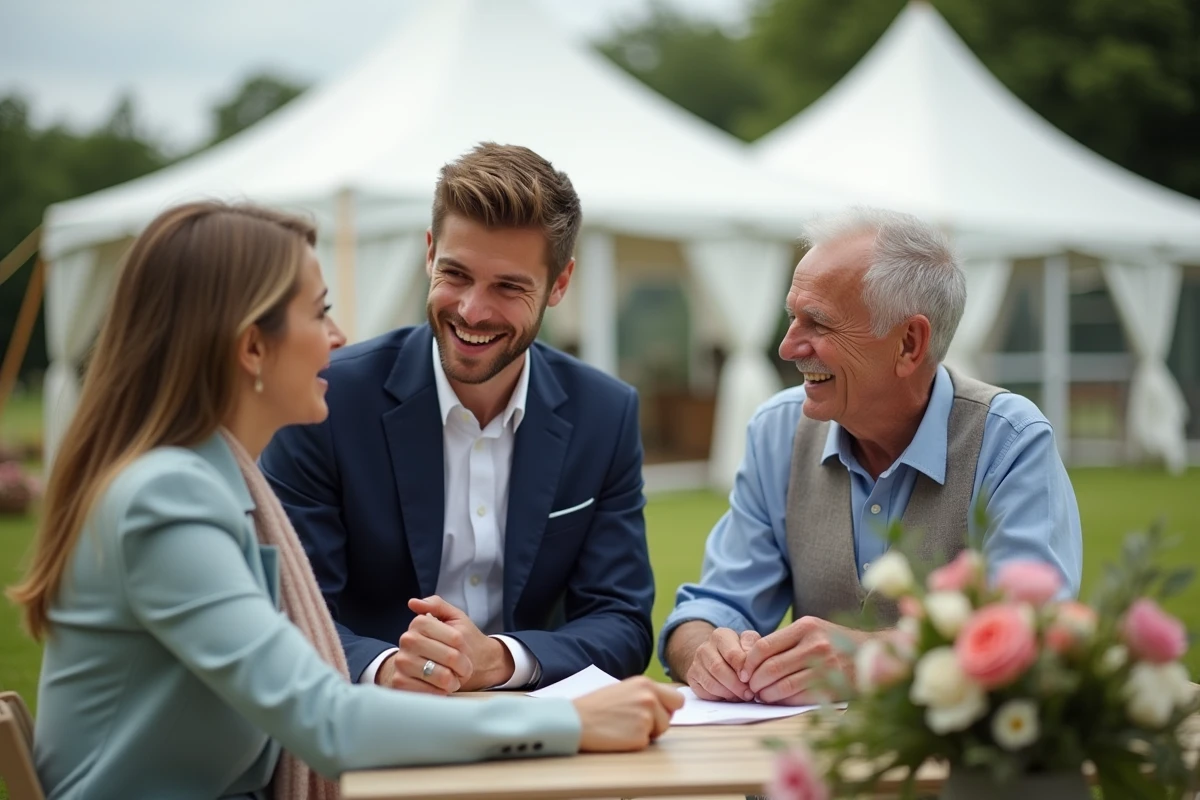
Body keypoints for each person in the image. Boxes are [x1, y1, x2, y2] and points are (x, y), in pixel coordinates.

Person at [7, 201, 682, 800]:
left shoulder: (206, 479)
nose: (337, 339)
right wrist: (569, 721)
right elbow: (325, 718)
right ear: (251, 346)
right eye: (320, 311)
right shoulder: (167, 498)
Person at [260, 143, 654, 693]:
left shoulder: (605, 414)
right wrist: (391, 669)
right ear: (428, 254)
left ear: (560, 284)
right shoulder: (325, 400)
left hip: (542, 738)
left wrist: (499, 659)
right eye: (456, 274)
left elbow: (623, 622)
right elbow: (289, 609)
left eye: (509, 287)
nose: (472, 310)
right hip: (367, 732)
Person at [659, 207, 1083, 706]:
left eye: (818, 323)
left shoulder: (1009, 440)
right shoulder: (777, 430)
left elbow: (1030, 636)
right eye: (791, 316)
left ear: (909, 343)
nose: (788, 346)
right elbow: (715, 605)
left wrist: (868, 658)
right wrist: (706, 652)